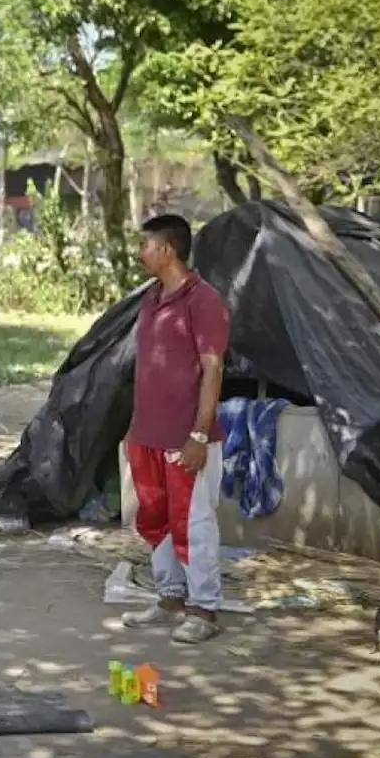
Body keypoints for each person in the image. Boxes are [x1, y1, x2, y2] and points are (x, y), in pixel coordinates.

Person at [124, 214, 230, 645]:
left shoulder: (203, 300)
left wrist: (199, 435)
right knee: (155, 520)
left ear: (167, 250)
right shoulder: (151, 298)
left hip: (185, 438)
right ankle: (170, 597)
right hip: (146, 435)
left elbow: (213, 368)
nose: (140, 252)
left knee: (193, 524)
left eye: (146, 244)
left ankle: (203, 608)